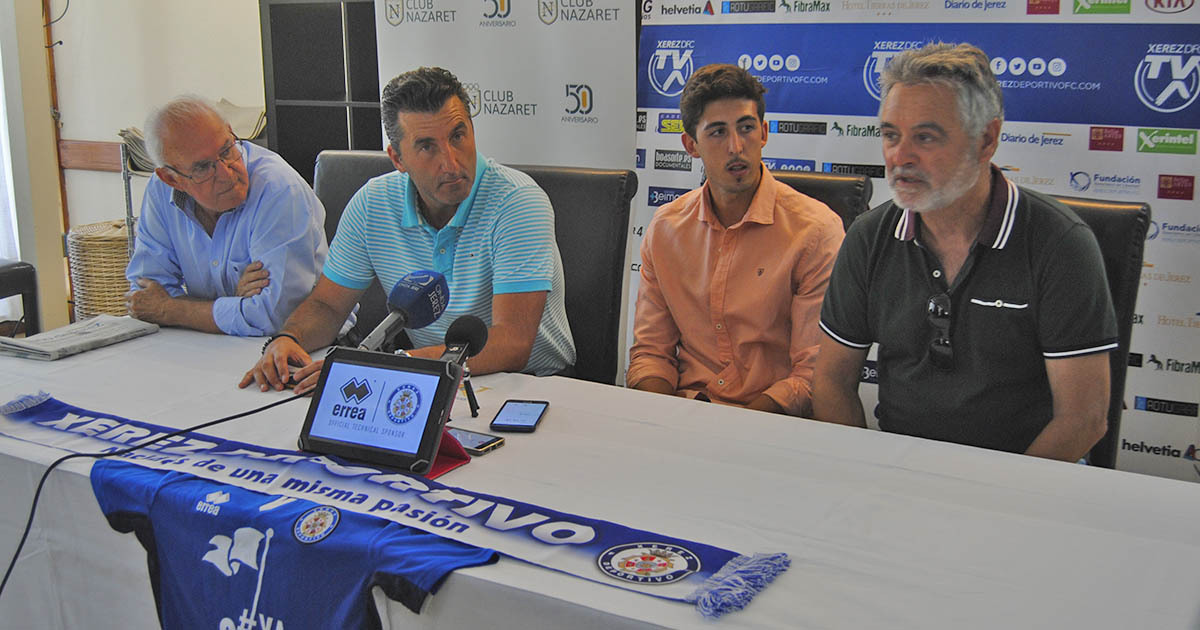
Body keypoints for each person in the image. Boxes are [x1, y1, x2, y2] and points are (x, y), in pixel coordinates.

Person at [811, 43, 1116, 461]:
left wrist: (991, 496)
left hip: (1020, 477)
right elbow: (832, 382)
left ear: (986, 140)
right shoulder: (869, 237)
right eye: (891, 135)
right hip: (898, 468)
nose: (900, 156)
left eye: (925, 137)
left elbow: (1083, 418)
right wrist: (864, 474)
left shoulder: (1060, 243)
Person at [241, 67, 574, 393]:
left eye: (458, 137)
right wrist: (289, 338)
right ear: (397, 158)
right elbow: (328, 306)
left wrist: (389, 367)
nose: (451, 163)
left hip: (535, 385)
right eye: (427, 147)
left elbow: (511, 343)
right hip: (429, 377)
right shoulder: (372, 203)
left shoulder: (517, 201)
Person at [627, 64, 844, 416]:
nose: (736, 147)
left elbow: (812, 374)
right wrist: (662, 423)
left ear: (764, 132)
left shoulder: (815, 231)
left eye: (746, 128)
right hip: (684, 413)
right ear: (691, 145)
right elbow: (651, 354)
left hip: (772, 422)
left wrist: (733, 430)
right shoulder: (666, 229)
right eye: (717, 132)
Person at [125, 96, 329, 337]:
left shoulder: (278, 188)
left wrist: (172, 310)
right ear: (172, 179)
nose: (226, 173)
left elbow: (275, 316)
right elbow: (146, 294)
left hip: (301, 345)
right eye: (202, 167)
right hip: (208, 344)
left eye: (226, 150)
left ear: (231, 133)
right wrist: (234, 302)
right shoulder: (160, 191)